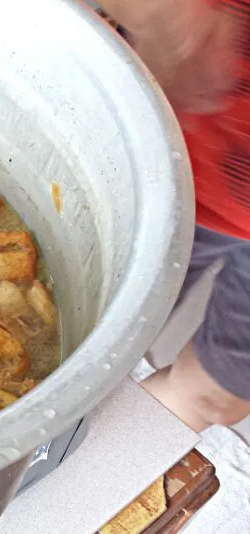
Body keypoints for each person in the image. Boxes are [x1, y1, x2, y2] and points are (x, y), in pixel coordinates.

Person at [96, 0, 250, 431]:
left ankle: (99, 479)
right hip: (160, 159)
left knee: (212, 397)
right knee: (105, 340)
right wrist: (165, 18)